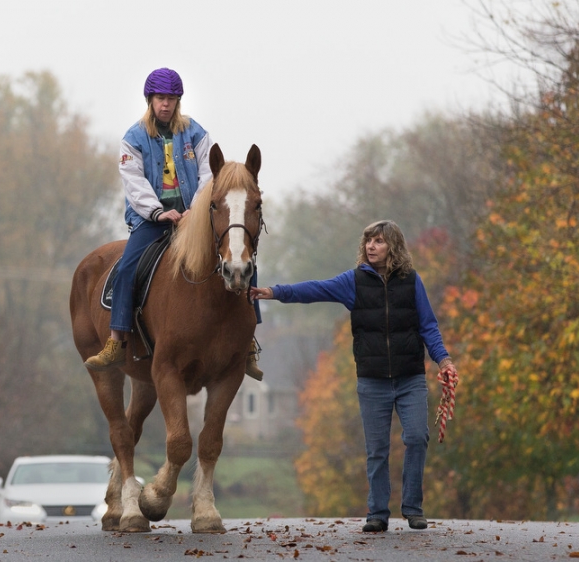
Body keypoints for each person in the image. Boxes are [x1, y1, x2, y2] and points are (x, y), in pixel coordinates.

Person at [249, 220, 457, 532]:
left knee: (417, 437)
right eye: (368, 241)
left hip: (410, 378)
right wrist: (275, 292)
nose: (371, 246)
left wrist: (444, 360)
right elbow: (316, 289)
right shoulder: (354, 282)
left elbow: (428, 325)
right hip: (372, 381)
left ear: (393, 246)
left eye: (378, 241)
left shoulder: (411, 281)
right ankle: (377, 513)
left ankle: (413, 508)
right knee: (377, 450)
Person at [83, 67, 263, 379]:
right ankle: (116, 341)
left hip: (194, 218)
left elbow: (211, 175)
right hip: (151, 220)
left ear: (178, 101)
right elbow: (134, 181)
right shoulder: (133, 139)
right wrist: (156, 211)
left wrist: (194, 210)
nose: (165, 104)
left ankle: (248, 344)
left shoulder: (195, 133)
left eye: (170, 98)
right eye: (159, 98)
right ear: (149, 100)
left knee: (241, 258)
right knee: (127, 268)